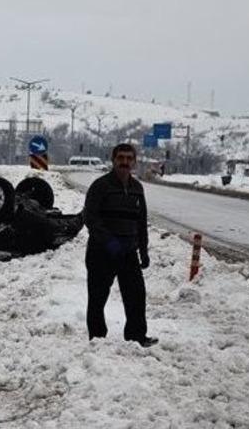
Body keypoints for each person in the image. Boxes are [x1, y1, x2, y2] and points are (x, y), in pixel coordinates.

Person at [83, 143, 158, 348]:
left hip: (128, 253)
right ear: (113, 160)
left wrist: (143, 250)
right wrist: (109, 242)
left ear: (134, 162)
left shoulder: (137, 188)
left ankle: (136, 337)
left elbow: (141, 221)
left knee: (136, 296)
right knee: (97, 298)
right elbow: (90, 217)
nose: (125, 162)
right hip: (101, 252)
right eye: (121, 158)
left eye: (129, 158)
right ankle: (97, 339)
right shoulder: (100, 186)